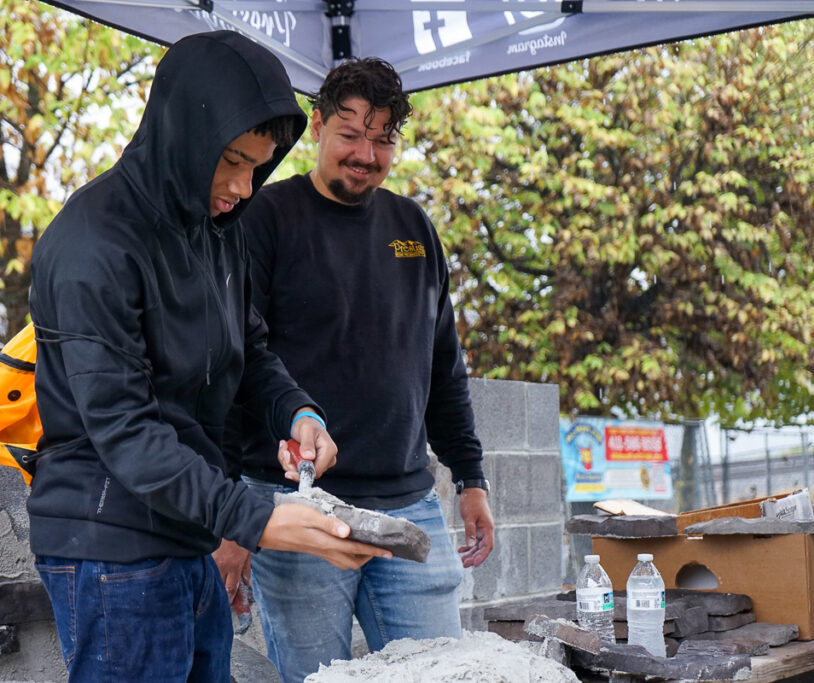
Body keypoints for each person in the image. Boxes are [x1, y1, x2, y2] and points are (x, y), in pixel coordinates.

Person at [27, 32, 390, 683]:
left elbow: (248, 353)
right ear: (182, 135)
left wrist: (298, 412)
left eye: (260, 165)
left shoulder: (216, 228)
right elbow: (124, 431)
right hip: (113, 548)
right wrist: (258, 517)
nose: (242, 187)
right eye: (229, 161)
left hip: (189, 532)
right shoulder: (92, 243)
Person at [217, 57, 496, 683]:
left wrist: (471, 478)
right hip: (298, 505)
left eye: (382, 138)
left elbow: (443, 368)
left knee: (442, 675)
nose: (365, 153)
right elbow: (236, 367)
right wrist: (235, 519)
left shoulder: (413, 229)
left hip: (410, 506)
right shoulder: (263, 218)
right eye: (350, 134)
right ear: (316, 127)